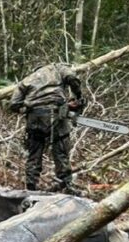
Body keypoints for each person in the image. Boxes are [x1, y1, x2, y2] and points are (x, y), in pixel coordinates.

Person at [7, 63, 86, 193]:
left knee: (34, 154)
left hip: (35, 119)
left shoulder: (27, 80)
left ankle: (31, 186)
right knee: (60, 152)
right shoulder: (57, 68)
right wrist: (78, 96)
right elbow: (72, 78)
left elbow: (14, 104)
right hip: (57, 116)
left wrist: (28, 109)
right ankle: (66, 184)